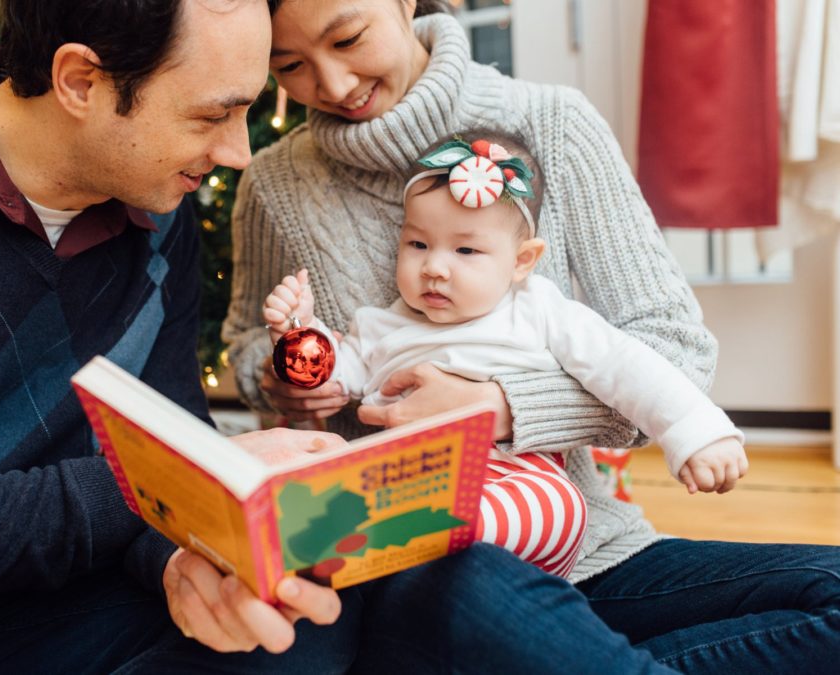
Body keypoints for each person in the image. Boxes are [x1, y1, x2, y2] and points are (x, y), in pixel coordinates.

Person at [223, 0, 840, 670]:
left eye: (349, 38)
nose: (334, 85)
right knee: (472, 576)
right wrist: (292, 377)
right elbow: (254, 345)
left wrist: (500, 407)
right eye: (290, 66)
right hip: (402, 563)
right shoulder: (275, 184)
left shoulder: (554, 125)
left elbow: (672, 350)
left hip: (583, 547)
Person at [0, 1, 361, 671]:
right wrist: (179, 478)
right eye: (211, 115)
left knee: (303, 623)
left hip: (63, 602)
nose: (238, 153)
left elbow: (158, 445)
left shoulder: (163, 215)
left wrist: (182, 564)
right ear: (79, 80)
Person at [263, 133, 747, 579]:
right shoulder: (380, 324)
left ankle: (413, 537)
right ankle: (349, 539)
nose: (433, 267)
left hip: (510, 476)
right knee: (321, 463)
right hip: (401, 480)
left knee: (560, 504)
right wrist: (299, 331)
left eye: (466, 250)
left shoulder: (540, 310)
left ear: (521, 261)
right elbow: (330, 378)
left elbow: (624, 366)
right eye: (417, 244)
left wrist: (696, 432)